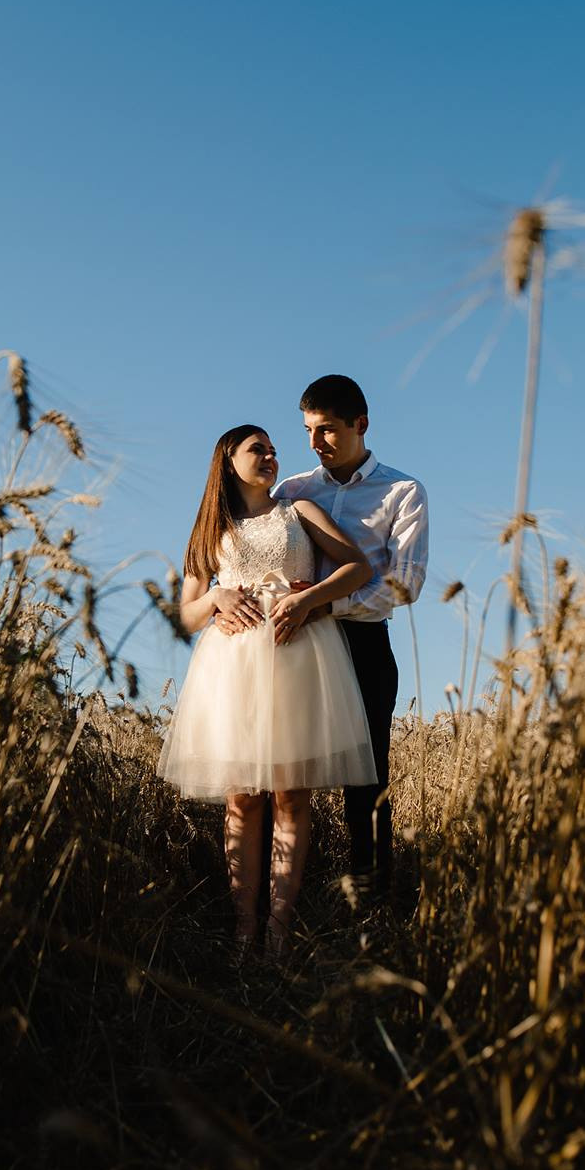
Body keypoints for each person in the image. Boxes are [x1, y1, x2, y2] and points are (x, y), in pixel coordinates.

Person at [156, 424, 379, 959]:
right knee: (242, 798)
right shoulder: (211, 530)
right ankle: (244, 927)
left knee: (291, 795)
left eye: (274, 450)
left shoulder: (299, 511)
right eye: (258, 449)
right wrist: (216, 598)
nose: (271, 456)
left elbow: (358, 567)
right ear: (228, 461)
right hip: (233, 668)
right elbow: (184, 616)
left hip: (298, 655)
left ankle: (279, 930)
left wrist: (310, 599)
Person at [229, 375, 427, 898]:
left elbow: (404, 583)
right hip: (289, 646)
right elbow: (248, 545)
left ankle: (369, 899)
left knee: (366, 776)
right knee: (278, 770)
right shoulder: (294, 490)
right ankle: (279, 899)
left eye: (328, 430)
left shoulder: (402, 492)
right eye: (308, 431)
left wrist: (324, 604)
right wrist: (221, 599)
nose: (316, 442)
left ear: (361, 424)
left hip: (361, 644)